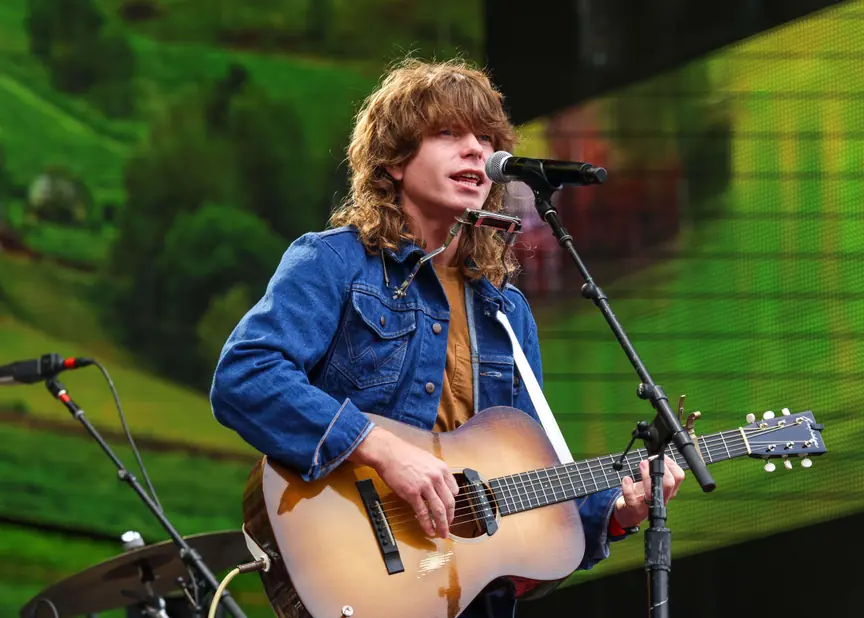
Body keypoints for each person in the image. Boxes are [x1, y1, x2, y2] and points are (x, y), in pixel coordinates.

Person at [209, 57, 685, 617]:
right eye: (448, 134)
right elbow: (245, 377)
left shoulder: (508, 312)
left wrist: (619, 512)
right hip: (359, 576)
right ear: (393, 161)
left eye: (486, 139)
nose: (476, 151)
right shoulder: (334, 262)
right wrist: (382, 450)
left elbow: (532, 496)